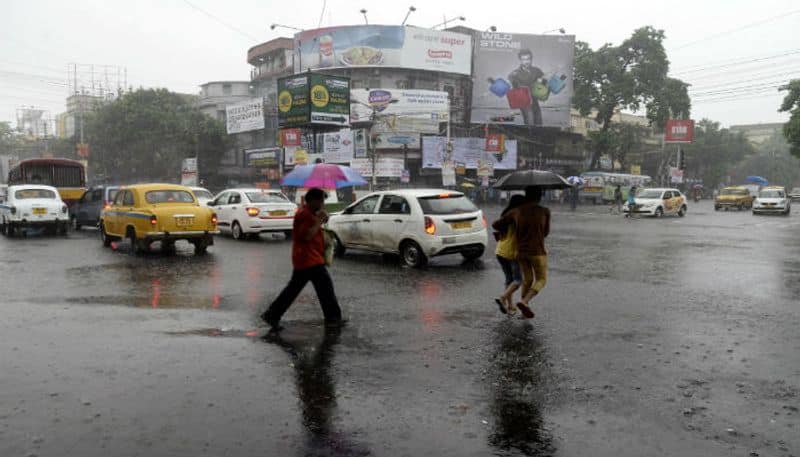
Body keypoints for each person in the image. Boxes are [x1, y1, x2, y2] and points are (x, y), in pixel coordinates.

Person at [261, 188, 343, 331]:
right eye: (321, 201)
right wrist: (319, 220)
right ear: (312, 201)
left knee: (293, 289)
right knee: (325, 288)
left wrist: (321, 218)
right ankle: (333, 319)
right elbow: (306, 236)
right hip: (309, 260)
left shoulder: (310, 213)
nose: (322, 203)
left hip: (306, 259)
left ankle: (272, 314)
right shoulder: (305, 215)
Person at [492, 186, 550, 319]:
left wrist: (507, 229)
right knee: (541, 279)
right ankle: (524, 302)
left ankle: (523, 309)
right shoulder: (545, 211)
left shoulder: (516, 211)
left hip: (521, 252)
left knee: (527, 279)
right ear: (540, 195)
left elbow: (496, 224)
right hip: (537, 251)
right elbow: (546, 233)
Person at [493, 195, 526, 315]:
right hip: (512, 252)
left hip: (500, 250)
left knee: (509, 279)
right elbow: (520, 236)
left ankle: (510, 305)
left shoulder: (505, 215)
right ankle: (503, 298)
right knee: (518, 280)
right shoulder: (518, 216)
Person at [508, 49, 544, 127]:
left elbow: (544, 84)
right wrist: (515, 85)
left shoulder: (537, 71)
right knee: (530, 124)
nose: (526, 61)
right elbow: (514, 87)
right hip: (525, 103)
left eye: (528, 59)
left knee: (539, 123)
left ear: (531, 59)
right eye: (523, 59)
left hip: (535, 101)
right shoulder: (515, 74)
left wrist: (542, 82)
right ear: (520, 60)